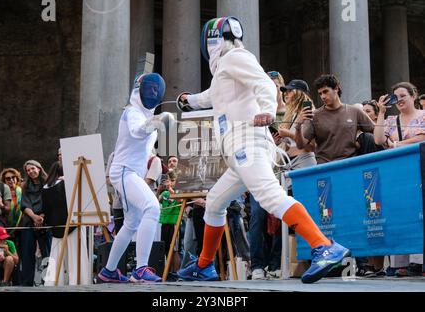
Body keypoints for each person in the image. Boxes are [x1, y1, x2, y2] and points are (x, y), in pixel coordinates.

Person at [176, 17, 350, 284]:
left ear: (213, 40)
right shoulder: (226, 68)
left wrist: (267, 111)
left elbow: (265, 84)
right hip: (237, 152)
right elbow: (211, 96)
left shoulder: (236, 57)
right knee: (214, 203)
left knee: (269, 196)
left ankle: (323, 246)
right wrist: (188, 101)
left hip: (248, 143)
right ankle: (204, 265)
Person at [96, 72, 174, 283]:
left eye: (156, 90)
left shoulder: (146, 116)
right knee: (153, 208)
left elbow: (145, 146)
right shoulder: (132, 113)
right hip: (123, 171)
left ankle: (109, 271)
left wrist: (158, 121)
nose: (153, 93)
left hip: (132, 173)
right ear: (140, 91)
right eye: (150, 89)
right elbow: (138, 132)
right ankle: (140, 269)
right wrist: (158, 121)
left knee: (131, 223)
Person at [374, 81, 424, 277]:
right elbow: (379, 140)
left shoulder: (423, 116)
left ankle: (419, 261)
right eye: (396, 97)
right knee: (400, 213)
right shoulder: (390, 120)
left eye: (403, 95)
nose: (399, 100)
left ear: (414, 96)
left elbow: (422, 138)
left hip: (420, 169)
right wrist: (380, 112)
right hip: (396, 172)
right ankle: (400, 263)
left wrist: (396, 145)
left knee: (420, 214)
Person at [294, 74, 376, 164]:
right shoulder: (314, 115)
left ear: (336, 88)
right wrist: (298, 126)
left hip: (351, 164)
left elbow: (376, 131)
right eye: (320, 93)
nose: (323, 96)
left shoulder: (354, 111)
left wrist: (362, 141)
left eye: (325, 91)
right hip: (326, 167)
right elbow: (301, 145)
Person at [42, 161, 90, 286]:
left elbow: (45, 209)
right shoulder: (65, 184)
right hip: (71, 222)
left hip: (55, 225)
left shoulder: (45, 187)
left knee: (55, 257)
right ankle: (78, 281)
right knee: (76, 255)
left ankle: (51, 282)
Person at [20, 160, 51, 286]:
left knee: (47, 254)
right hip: (29, 221)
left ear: (39, 168)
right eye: (28, 170)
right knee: (27, 254)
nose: (31, 172)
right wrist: (34, 217)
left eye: (33, 168)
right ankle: (27, 283)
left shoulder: (49, 183)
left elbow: (50, 202)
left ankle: (48, 281)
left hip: (45, 221)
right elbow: (24, 204)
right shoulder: (25, 186)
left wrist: (42, 216)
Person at [0, 168, 23, 240]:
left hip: (20, 226)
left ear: (17, 178)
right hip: (4, 226)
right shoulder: (1, 192)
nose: (11, 180)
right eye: (8, 178)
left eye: (13, 177)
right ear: (4, 181)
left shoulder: (22, 190)